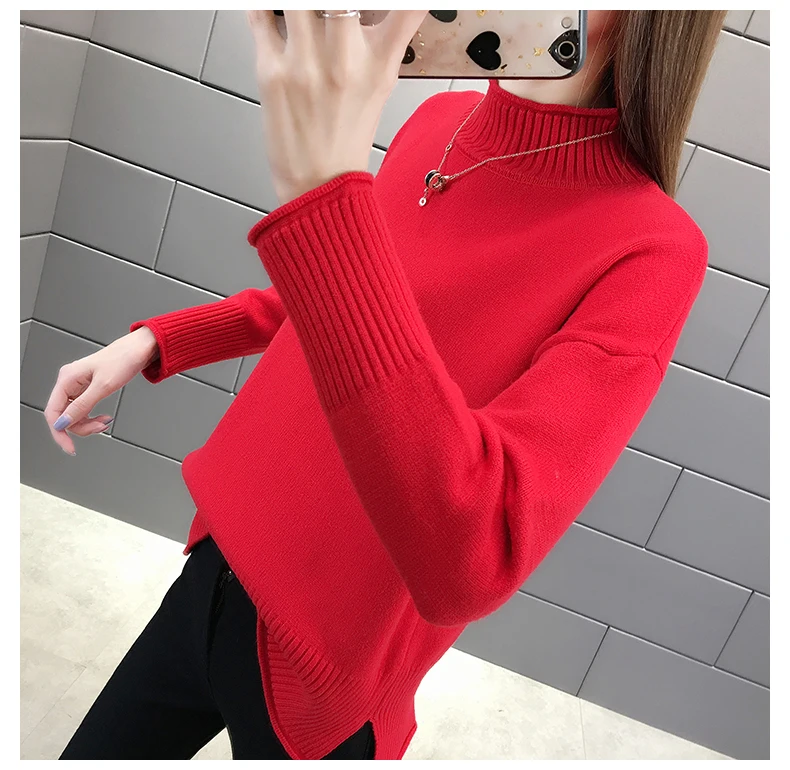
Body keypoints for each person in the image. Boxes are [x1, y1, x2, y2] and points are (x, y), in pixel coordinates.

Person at [48, 10, 727, 761]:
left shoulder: (653, 251)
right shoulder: (439, 118)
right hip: (219, 563)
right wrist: (160, 339)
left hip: (327, 680)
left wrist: (324, 197)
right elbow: (339, 299)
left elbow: (475, 553)